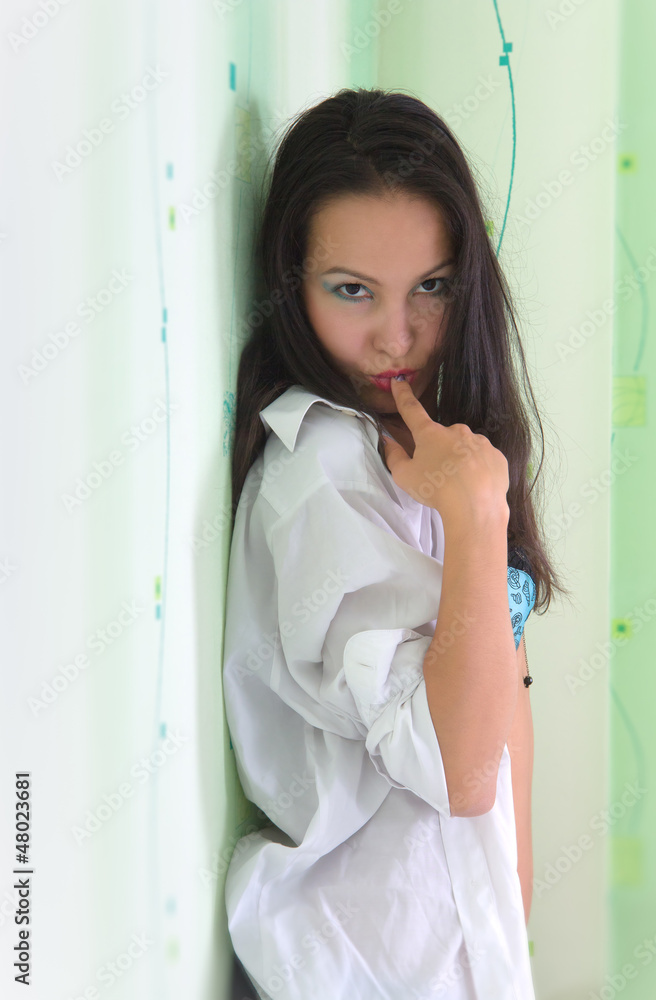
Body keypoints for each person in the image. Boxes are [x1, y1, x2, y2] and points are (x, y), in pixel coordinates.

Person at [222, 87, 571, 999]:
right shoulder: (323, 470)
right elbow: (461, 772)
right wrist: (480, 518)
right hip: (363, 970)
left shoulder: (431, 453)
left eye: (432, 287)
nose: (398, 336)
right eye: (352, 291)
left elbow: (499, 750)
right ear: (290, 284)